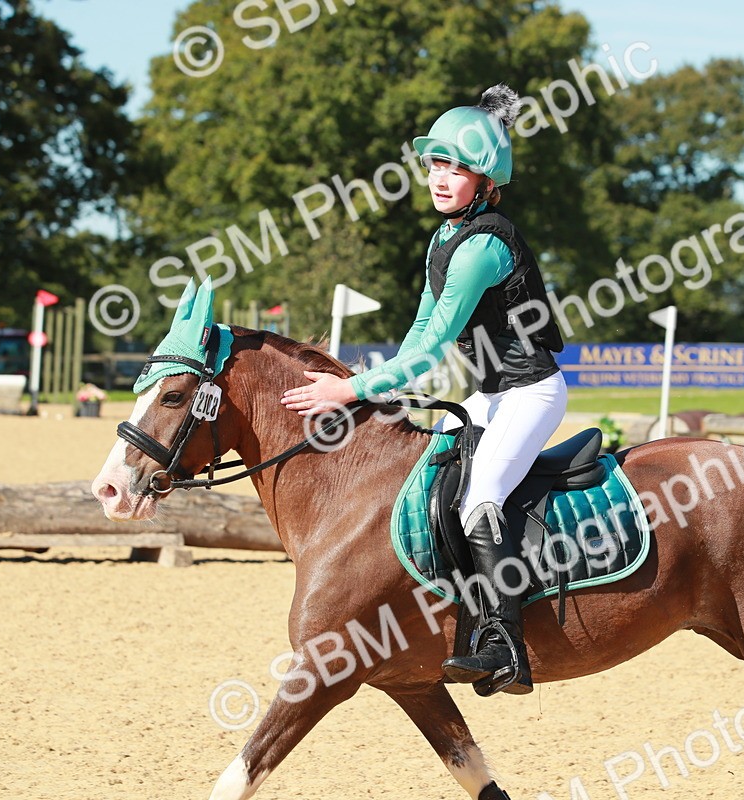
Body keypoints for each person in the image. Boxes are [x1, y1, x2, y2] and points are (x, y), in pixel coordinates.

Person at [280, 84, 566, 695]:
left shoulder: (483, 246)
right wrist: (367, 383)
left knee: (481, 493)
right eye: (436, 162)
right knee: (424, 482)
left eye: (457, 166)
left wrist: (351, 389)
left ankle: (504, 645)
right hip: (486, 394)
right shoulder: (445, 238)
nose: (441, 177)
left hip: (530, 393)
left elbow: (433, 350)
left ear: (486, 180)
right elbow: (417, 333)